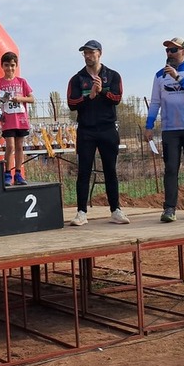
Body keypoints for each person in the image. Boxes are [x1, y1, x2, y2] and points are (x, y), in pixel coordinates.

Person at [66, 39, 129, 226]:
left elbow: (117, 98)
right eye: (84, 53)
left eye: (91, 52)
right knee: (83, 171)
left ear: (99, 53)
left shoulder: (113, 75)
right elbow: (71, 103)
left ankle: (116, 210)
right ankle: (81, 212)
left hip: (108, 129)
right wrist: (90, 96)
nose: (87, 56)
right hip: (86, 130)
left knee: (110, 170)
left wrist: (101, 92)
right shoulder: (77, 79)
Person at [144, 37, 184, 222]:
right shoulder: (159, 76)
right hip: (170, 129)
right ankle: (169, 209)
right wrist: (149, 126)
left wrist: (177, 77)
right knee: (171, 168)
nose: (170, 53)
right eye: (167, 50)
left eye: (174, 50)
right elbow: (155, 102)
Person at [0, 51, 35, 186]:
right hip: (8, 120)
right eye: (6, 65)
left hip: (21, 119)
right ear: (2, 66)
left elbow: (32, 99)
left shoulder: (22, 82)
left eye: (12, 65)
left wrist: (19, 98)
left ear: (16, 66)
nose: (9, 68)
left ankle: (18, 173)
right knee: (10, 146)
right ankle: (7, 173)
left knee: (19, 146)